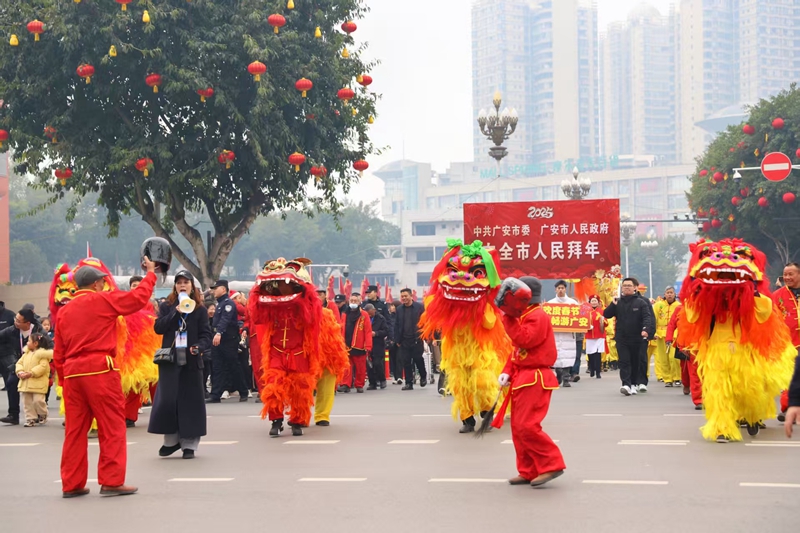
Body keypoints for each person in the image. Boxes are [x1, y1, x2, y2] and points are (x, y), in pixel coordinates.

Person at [54, 259, 157, 498]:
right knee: (112, 427)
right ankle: (111, 481)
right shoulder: (102, 300)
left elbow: (58, 352)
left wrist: (63, 380)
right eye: (102, 281)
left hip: (72, 373)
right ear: (96, 283)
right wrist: (150, 274)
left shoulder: (64, 310)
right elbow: (137, 299)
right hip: (100, 370)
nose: (104, 284)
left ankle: (72, 484)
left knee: (74, 431)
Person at [495, 277, 566, 487]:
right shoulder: (525, 315)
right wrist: (507, 370)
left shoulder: (537, 316)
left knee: (527, 425)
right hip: (523, 375)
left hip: (535, 377)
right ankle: (528, 469)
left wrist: (507, 317)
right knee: (518, 427)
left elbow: (525, 340)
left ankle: (551, 464)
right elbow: (519, 351)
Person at [149, 270, 212, 459]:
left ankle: (189, 445)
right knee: (168, 401)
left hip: (191, 361)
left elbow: (206, 335)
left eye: (186, 282)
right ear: (175, 287)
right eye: (179, 283)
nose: (182, 285)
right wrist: (175, 313)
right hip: (171, 360)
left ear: (192, 286)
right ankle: (171, 440)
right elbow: (158, 328)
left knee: (190, 402)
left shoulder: (200, 309)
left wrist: (198, 347)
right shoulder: (168, 306)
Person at [603, 277, 655, 396]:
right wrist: (612, 304)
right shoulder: (618, 302)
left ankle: (634, 384)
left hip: (637, 338)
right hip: (622, 338)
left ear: (635, 288)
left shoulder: (641, 302)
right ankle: (626, 384)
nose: (626, 287)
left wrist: (646, 330)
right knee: (624, 361)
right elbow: (607, 314)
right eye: (624, 285)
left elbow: (647, 317)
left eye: (629, 285)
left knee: (635, 361)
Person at [206, 280, 249, 404]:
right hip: (217, 339)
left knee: (233, 365)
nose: (214, 291)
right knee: (217, 367)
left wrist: (219, 332)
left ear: (223, 289)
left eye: (216, 288)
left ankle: (243, 391)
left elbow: (225, 319)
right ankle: (216, 394)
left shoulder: (228, 303)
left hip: (227, 339)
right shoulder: (219, 303)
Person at [0, 308, 44, 425]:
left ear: (28, 323)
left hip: (37, 365)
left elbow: (50, 347)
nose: (16, 322)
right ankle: (13, 415)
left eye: (19, 321)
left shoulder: (39, 332)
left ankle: (40, 413)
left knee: (35, 392)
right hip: (20, 364)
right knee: (11, 382)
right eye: (16, 319)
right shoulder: (12, 330)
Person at [772, 262, 800, 422]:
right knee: (789, 376)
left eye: (791, 274)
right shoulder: (777, 296)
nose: (787, 277)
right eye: (785, 274)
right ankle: (787, 407)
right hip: (786, 343)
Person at [15, 332, 53, 427]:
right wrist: (20, 371)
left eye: (29, 341)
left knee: (38, 400)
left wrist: (31, 373)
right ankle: (30, 418)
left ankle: (43, 413)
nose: (27, 343)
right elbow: (19, 363)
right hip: (26, 382)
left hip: (38, 383)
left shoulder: (42, 355)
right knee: (27, 402)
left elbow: (43, 367)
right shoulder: (26, 354)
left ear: (35, 343)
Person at [339, 295, 373, 393]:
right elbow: (341, 328)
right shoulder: (345, 313)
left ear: (359, 302)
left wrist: (368, 345)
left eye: (355, 301)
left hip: (359, 345)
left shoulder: (364, 314)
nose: (353, 302)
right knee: (346, 367)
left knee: (360, 367)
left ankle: (359, 384)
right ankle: (346, 384)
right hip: (346, 344)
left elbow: (368, 331)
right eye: (351, 300)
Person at [394, 288, 427, 390]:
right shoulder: (399, 309)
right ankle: (409, 383)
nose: (404, 298)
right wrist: (397, 340)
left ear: (411, 296)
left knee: (418, 359)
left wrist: (424, 336)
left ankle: (423, 376)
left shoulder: (419, 307)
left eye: (406, 296)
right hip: (404, 340)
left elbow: (424, 323)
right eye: (402, 296)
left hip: (416, 339)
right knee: (406, 362)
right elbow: (397, 325)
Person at [548, 280, 579, 387]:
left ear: (565, 289)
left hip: (568, 334)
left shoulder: (572, 303)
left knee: (568, 356)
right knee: (557, 356)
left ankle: (566, 378)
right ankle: (559, 374)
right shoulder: (550, 303)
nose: (560, 290)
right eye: (559, 288)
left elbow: (579, 317)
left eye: (562, 288)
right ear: (555, 289)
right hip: (555, 335)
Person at [653, 287, 682, 387]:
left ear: (675, 294)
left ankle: (677, 377)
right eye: (667, 293)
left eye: (671, 293)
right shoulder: (658, 305)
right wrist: (654, 332)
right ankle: (667, 379)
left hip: (675, 333)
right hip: (661, 334)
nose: (669, 295)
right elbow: (653, 319)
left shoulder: (679, 306)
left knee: (674, 358)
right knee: (663, 358)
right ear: (664, 294)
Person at [365, 303, 387, 390]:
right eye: (368, 314)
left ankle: (382, 379)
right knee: (369, 365)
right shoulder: (364, 318)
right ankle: (372, 383)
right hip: (367, 344)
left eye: (370, 313)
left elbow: (386, 331)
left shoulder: (381, 319)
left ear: (374, 310)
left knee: (378, 363)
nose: (369, 315)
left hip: (378, 344)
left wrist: (376, 333)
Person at [585, 295, 605, 379]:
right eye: (592, 301)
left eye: (595, 301)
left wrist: (603, 321)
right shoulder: (586, 312)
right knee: (590, 353)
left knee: (598, 354)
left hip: (599, 335)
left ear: (598, 302)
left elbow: (606, 322)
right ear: (589, 302)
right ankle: (592, 369)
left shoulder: (601, 311)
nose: (594, 302)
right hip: (589, 335)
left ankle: (598, 372)